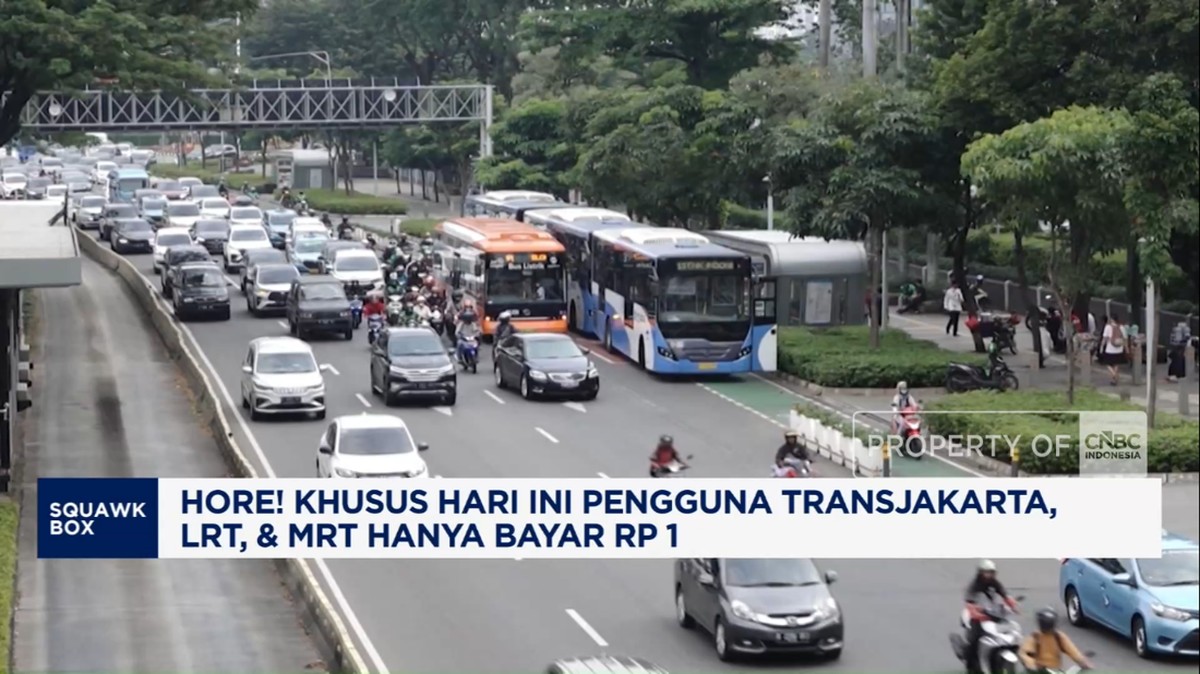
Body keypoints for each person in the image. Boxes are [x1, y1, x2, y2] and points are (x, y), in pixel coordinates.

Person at [963, 560, 1019, 674]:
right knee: (974, 640)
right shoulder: (974, 586)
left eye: (991, 572)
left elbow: (1004, 595)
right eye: (986, 572)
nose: (989, 575)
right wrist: (975, 612)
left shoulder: (995, 583)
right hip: (978, 617)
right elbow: (969, 602)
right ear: (980, 572)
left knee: (1012, 631)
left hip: (992, 613)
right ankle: (970, 664)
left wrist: (1013, 605)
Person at [1018, 608, 1092, 673]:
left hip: (1054, 670)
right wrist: (1031, 664)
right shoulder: (1036, 637)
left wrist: (1082, 661)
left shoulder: (1058, 636)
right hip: (1039, 670)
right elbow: (1024, 653)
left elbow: (1071, 650)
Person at [1100, 312, 1129, 386]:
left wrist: (1102, 346)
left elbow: (1105, 338)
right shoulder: (1122, 327)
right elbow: (1125, 339)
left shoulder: (1108, 327)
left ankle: (1113, 375)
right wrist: (1126, 348)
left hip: (1110, 349)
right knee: (1116, 364)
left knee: (1107, 363)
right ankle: (1114, 380)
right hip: (1119, 349)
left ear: (1112, 319)